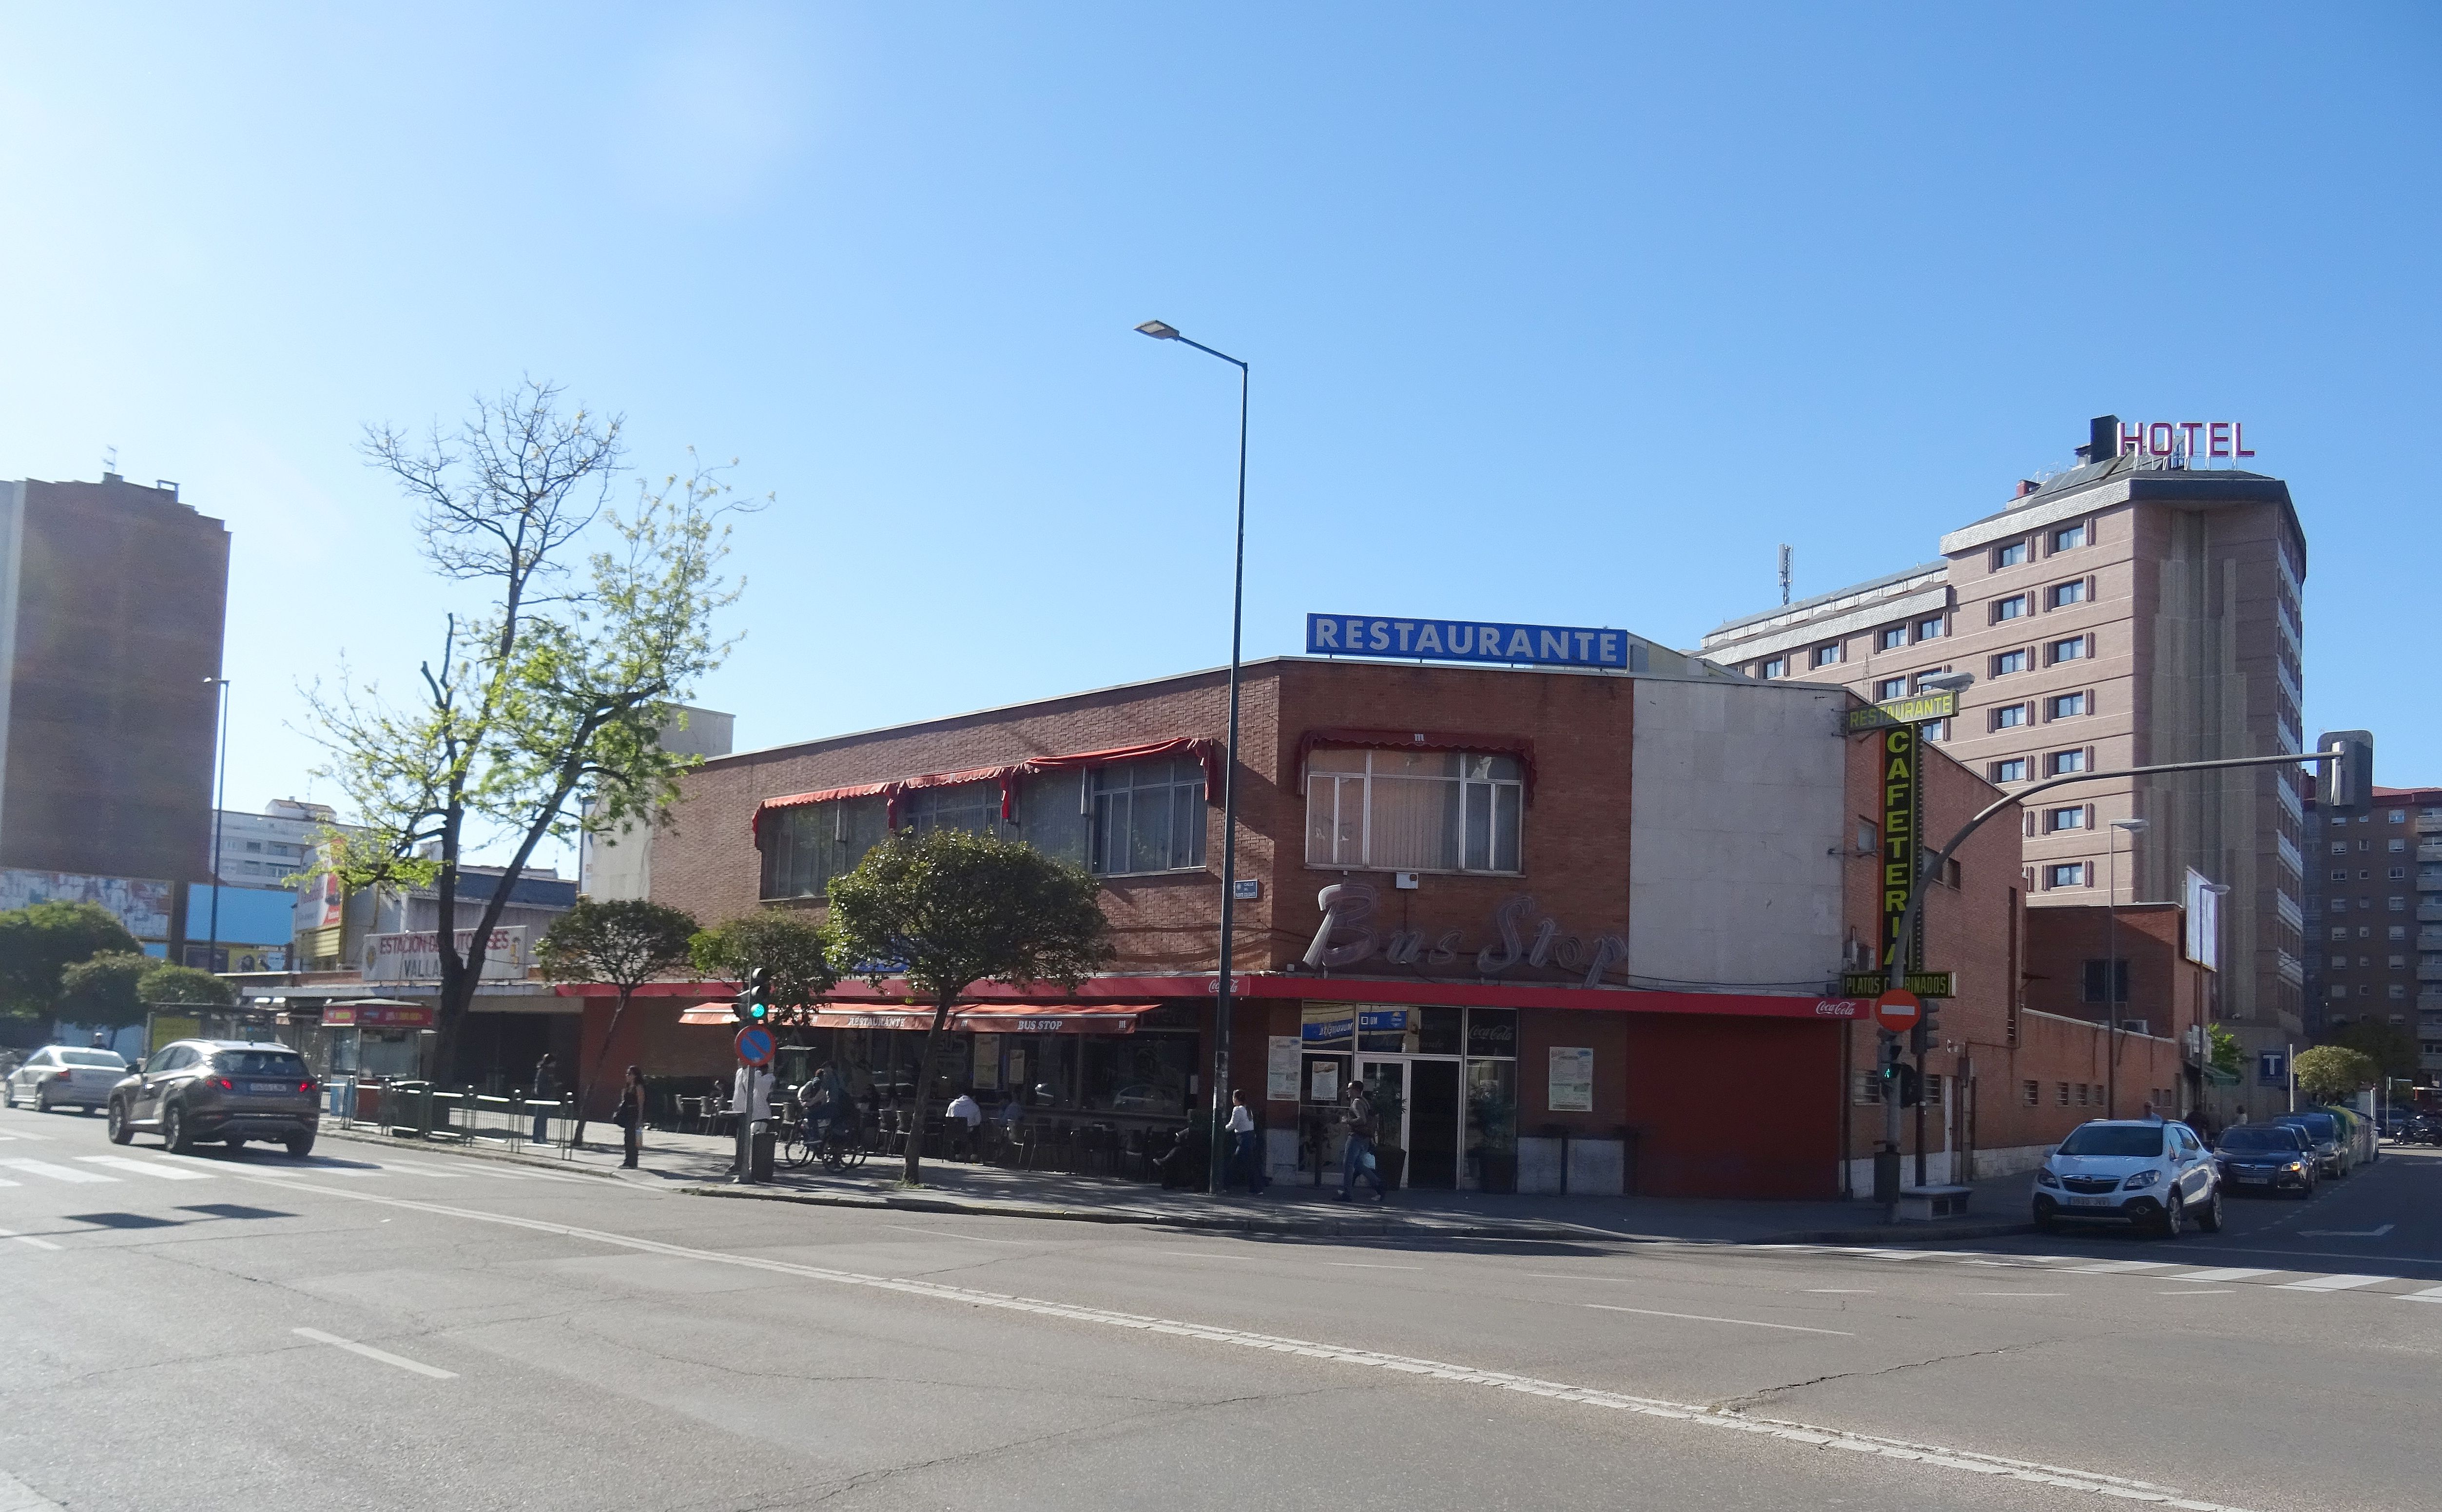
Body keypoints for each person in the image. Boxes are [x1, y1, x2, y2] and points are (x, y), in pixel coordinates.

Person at [1337, 1081, 1386, 1202]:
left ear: (1355, 1089)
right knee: (1358, 1164)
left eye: (1349, 1089)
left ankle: (1347, 1194)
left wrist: (1347, 1121)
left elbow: (1362, 1120)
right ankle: (1378, 1184)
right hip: (1364, 1138)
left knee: (1347, 1164)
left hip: (1356, 1137)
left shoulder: (1356, 1103)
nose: (1347, 1091)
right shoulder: (1364, 1101)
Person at [1226, 1088, 1267, 1194]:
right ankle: (1256, 1188)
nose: (1233, 1100)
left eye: (1233, 1097)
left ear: (1236, 1099)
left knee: (1234, 1163)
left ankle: (1225, 1185)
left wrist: (1222, 1128)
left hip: (1243, 1140)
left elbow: (1232, 1125)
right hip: (1250, 1138)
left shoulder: (1237, 1110)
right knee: (1251, 1164)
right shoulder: (1247, 1109)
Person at [612, 1065, 646, 1169]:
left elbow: (641, 1103)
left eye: (629, 1074)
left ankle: (632, 1162)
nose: (627, 1076)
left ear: (635, 1076)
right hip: (627, 1113)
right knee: (627, 1138)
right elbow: (623, 1101)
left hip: (634, 1113)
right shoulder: (627, 1088)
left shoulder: (638, 1087)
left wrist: (640, 1118)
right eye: (627, 1073)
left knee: (632, 1139)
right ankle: (628, 1160)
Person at [946, 1088, 984, 1161]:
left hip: (955, 1133)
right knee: (976, 1131)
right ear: (973, 1097)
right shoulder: (974, 1106)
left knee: (958, 1131)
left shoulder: (953, 1105)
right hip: (969, 1132)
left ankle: (958, 1154)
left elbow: (948, 1117)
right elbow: (978, 1122)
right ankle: (974, 1154)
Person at [531, 1054, 560, 1144]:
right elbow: (541, 1086)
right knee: (540, 1118)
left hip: (548, 1097)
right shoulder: (543, 1071)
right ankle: (537, 1138)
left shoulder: (548, 1071)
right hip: (543, 1097)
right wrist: (552, 1086)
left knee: (544, 1119)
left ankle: (542, 1137)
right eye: (553, 1062)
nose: (555, 1064)